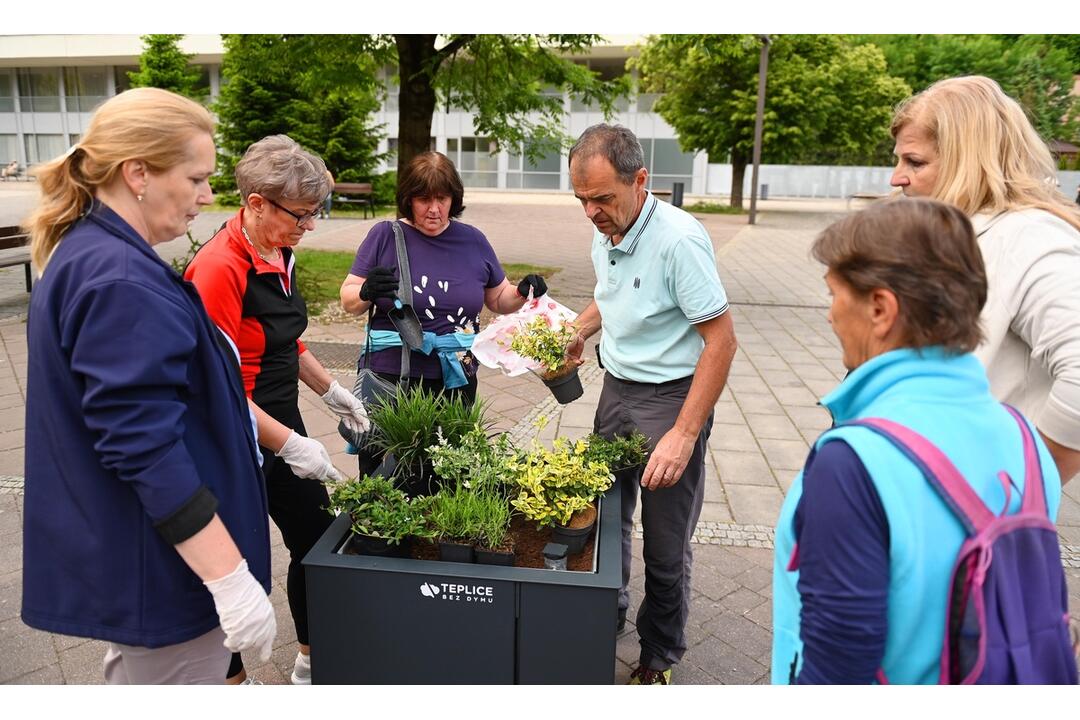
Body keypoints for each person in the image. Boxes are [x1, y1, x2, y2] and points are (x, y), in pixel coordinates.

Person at [21, 87, 275, 684]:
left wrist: (285, 442)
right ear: (138, 173)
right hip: (163, 571)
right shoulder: (120, 278)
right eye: (196, 179)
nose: (207, 198)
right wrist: (228, 578)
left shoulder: (98, 252)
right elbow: (145, 447)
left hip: (149, 559)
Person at [772, 198, 1070, 684]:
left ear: (880, 308)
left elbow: (836, 673)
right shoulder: (1025, 438)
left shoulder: (855, 462)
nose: (829, 316)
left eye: (834, 294)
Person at [185, 134, 369, 685]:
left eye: (316, 213)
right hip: (229, 436)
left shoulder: (279, 248)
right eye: (302, 215)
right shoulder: (217, 270)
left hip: (277, 416)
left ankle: (312, 658)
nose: (309, 226)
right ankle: (232, 682)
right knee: (231, 563)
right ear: (257, 202)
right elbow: (214, 389)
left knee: (317, 536)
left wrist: (330, 391)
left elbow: (283, 340)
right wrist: (288, 444)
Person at [565, 124, 738, 684]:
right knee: (604, 521)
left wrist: (684, 433)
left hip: (672, 401)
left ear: (641, 181)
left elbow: (722, 341)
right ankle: (606, 611)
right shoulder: (605, 226)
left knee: (665, 544)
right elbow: (609, 293)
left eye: (602, 198)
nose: (591, 212)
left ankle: (659, 653)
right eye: (582, 200)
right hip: (616, 391)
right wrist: (580, 330)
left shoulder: (679, 241)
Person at [889, 75, 1080, 485]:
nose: (896, 178)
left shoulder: (1032, 239)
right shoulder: (960, 235)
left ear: (968, 159)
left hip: (969, 520)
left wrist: (1025, 485)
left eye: (914, 162)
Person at [339, 151, 547, 473]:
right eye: (424, 199)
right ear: (409, 199)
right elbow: (348, 298)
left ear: (454, 198)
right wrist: (366, 292)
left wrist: (521, 291)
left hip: (455, 381)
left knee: (445, 478)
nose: (434, 209)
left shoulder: (473, 240)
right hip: (393, 380)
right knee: (386, 480)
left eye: (442, 198)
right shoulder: (385, 236)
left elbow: (498, 298)